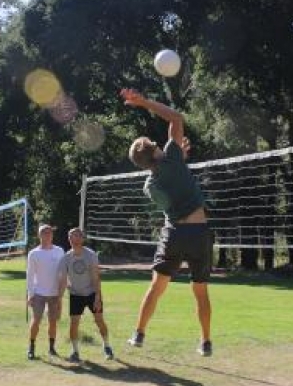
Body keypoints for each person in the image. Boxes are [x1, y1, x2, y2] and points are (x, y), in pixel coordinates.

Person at [121, 88, 213, 357]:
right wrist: (143, 102)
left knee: (157, 286)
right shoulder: (173, 154)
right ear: (156, 147)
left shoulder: (150, 185)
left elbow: (169, 196)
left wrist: (179, 162)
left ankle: (138, 334)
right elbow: (175, 117)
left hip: (174, 232)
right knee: (200, 290)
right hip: (198, 231)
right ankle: (205, 341)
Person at [58, 228, 113, 363]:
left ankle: (107, 346)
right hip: (76, 294)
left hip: (92, 293)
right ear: (69, 240)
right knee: (74, 323)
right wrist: (58, 299)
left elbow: (96, 277)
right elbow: (63, 279)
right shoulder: (66, 258)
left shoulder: (91, 255)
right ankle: (75, 351)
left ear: (82, 239)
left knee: (99, 320)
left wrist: (98, 297)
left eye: (77, 236)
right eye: (72, 237)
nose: (75, 239)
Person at [26, 224, 65, 361]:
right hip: (38, 293)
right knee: (36, 320)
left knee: (53, 321)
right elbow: (30, 275)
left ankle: (52, 348)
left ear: (52, 235)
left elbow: (63, 272)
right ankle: (31, 347)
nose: (47, 235)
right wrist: (30, 294)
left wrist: (61, 294)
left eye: (49, 233)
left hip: (55, 294)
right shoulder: (34, 253)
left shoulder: (59, 251)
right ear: (39, 235)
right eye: (44, 233)